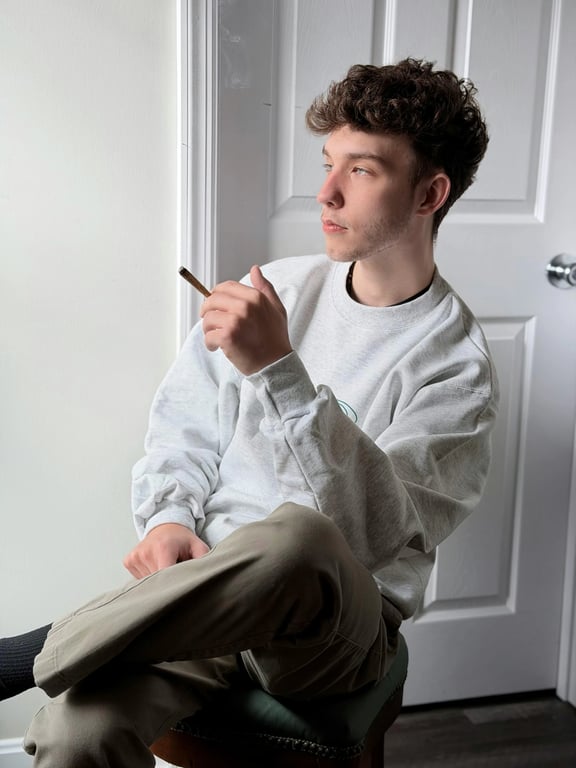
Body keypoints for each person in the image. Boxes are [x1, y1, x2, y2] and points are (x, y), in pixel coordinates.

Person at [0, 58, 498, 766]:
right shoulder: (279, 289)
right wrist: (171, 517)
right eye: (327, 163)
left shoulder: (456, 365)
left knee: (300, 535)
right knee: (72, 735)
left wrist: (278, 371)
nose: (324, 192)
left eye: (361, 171)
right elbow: (183, 427)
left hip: (331, 637)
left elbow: (377, 536)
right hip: (209, 600)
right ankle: (85, 645)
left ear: (429, 193)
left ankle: (34, 651)